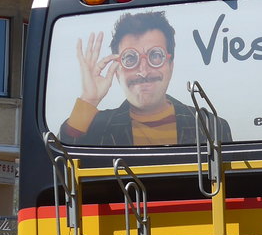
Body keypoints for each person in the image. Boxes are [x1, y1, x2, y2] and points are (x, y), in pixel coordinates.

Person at [58, 10, 231, 147]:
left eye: (155, 56)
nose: (143, 71)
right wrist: (89, 99)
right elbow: (61, 162)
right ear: (117, 70)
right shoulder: (96, 127)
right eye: (130, 59)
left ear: (171, 65)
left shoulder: (212, 127)